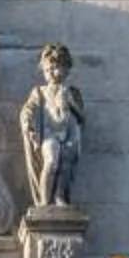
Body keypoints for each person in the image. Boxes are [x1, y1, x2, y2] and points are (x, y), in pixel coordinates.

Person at [19, 43, 85, 209]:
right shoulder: (40, 91)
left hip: (68, 132)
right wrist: (27, 124)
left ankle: (60, 196)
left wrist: (70, 102)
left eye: (56, 68)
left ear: (66, 69)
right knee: (52, 161)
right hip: (49, 133)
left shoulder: (72, 92)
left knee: (65, 165)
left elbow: (81, 116)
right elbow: (28, 109)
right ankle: (44, 200)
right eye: (48, 69)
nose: (51, 73)